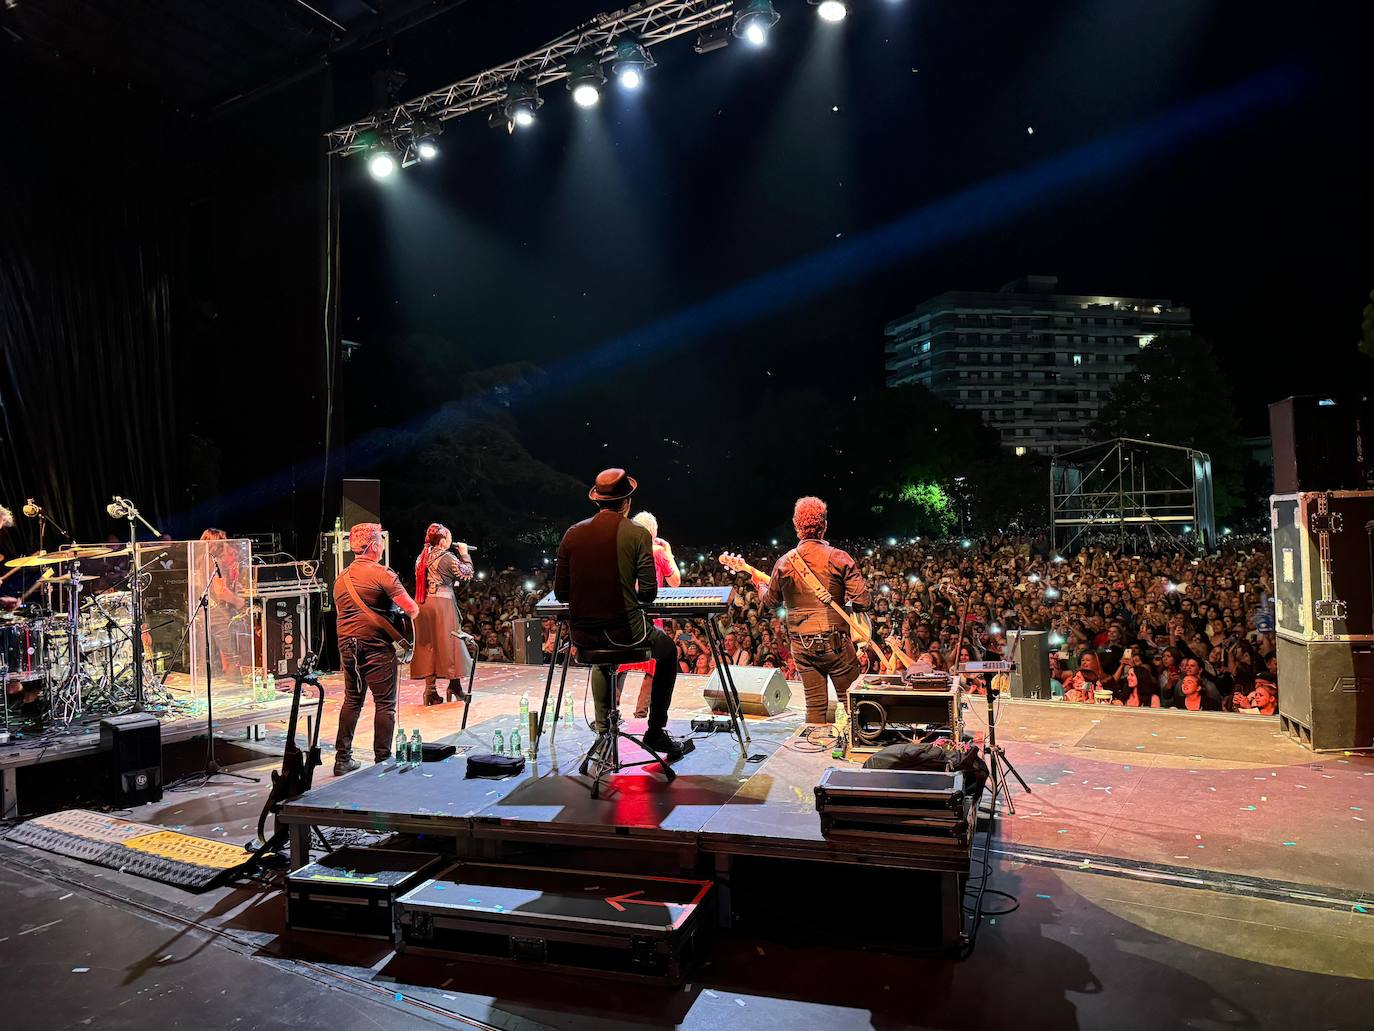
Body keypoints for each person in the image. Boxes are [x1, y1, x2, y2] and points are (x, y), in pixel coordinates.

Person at [553, 469, 688, 758]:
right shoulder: (637, 534)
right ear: (627, 502)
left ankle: (604, 734)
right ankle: (655, 732)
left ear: (598, 501)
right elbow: (649, 593)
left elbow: (562, 593)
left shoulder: (572, 533)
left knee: (603, 660)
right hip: (626, 632)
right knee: (668, 652)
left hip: (584, 636)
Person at [755, 496, 871, 727]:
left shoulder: (784, 563)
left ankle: (815, 753)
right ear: (824, 525)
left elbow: (770, 602)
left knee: (815, 706)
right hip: (836, 643)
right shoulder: (839, 558)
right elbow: (863, 601)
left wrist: (759, 587)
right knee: (852, 706)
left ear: (797, 526)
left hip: (801, 645)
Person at [332, 522, 420, 775]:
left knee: (352, 700)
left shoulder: (341, 578)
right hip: (376, 646)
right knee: (385, 704)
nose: (382, 545)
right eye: (380, 541)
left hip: (347, 646)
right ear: (373, 546)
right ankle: (383, 759)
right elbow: (412, 609)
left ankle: (342, 759)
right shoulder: (383, 574)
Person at [615, 511, 681, 721]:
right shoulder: (658, 552)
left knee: (619, 663)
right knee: (658, 661)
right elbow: (675, 582)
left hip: (623, 615)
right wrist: (669, 552)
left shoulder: (621, 551)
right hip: (650, 616)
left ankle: (611, 715)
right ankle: (645, 716)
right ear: (653, 532)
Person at [410, 523, 473, 706]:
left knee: (429, 645)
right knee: (451, 643)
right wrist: (464, 554)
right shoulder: (446, 557)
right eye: (451, 539)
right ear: (444, 541)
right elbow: (466, 574)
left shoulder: (421, 557)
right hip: (442, 604)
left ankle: (430, 691)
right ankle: (455, 686)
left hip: (423, 604)